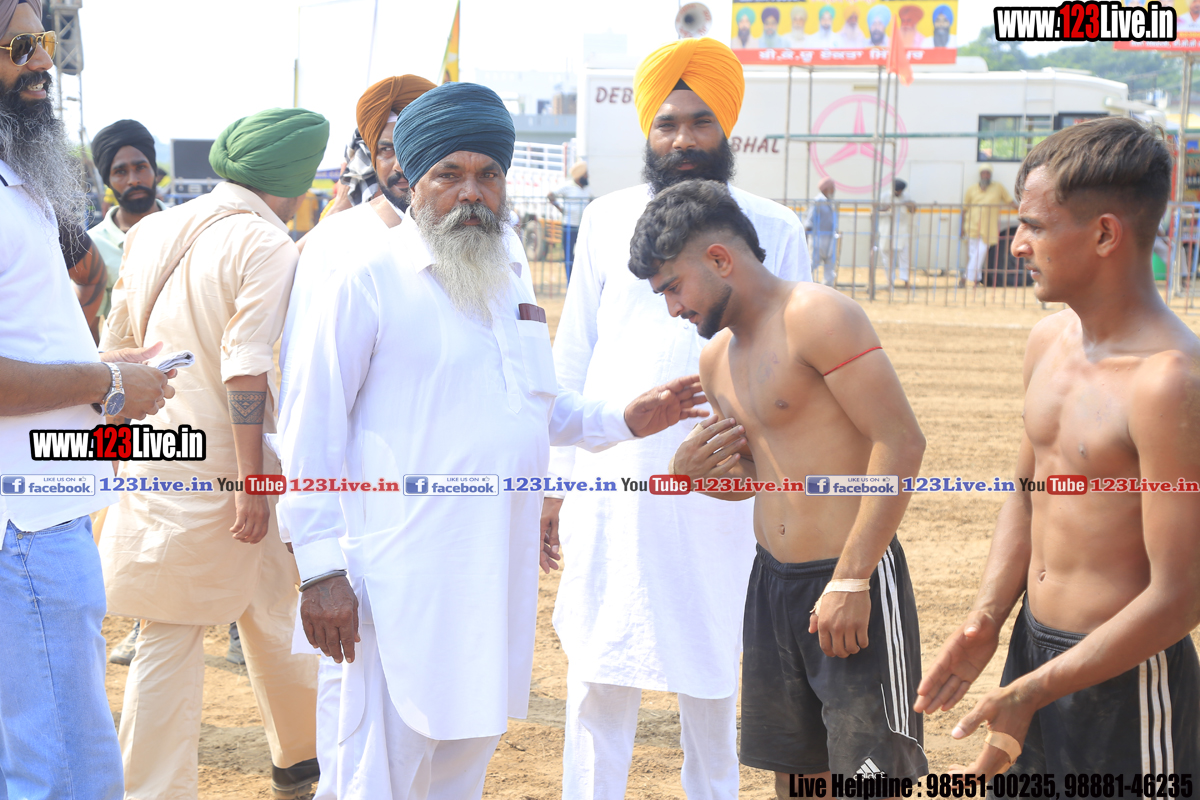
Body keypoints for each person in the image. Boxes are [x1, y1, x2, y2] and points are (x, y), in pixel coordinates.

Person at [278, 81, 707, 800]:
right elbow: (308, 430)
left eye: (489, 175)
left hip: (492, 575)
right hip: (395, 581)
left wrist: (625, 419)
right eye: (449, 174)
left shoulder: (506, 272)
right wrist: (320, 571)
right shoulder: (365, 280)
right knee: (372, 776)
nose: (471, 193)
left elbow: (533, 408)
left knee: (461, 764)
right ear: (413, 180)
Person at [545, 38, 810, 800]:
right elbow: (573, 356)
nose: (683, 139)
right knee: (598, 672)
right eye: (667, 124)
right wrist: (555, 485)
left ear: (726, 130)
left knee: (716, 674)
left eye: (700, 123)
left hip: (726, 485)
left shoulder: (775, 228)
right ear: (646, 132)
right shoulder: (605, 220)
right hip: (614, 477)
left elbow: (798, 361)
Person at [914, 117, 1200, 773]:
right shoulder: (1048, 341)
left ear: (1104, 234)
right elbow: (1026, 494)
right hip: (1031, 654)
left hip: (1128, 682)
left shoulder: (1168, 384)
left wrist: (1037, 689)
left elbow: (1181, 595)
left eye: (1035, 227)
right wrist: (987, 619)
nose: (1016, 245)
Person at [631, 179, 927, 793]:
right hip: (771, 586)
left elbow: (900, 441)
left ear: (719, 259)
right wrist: (695, 480)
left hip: (848, 578)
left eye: (673, 287)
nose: (673, 308)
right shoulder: (717, 360)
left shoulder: (817, 316)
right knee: (796, 780)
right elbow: (759, 480)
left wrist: (852, 579)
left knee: (872, 777)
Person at [99, 106, 329, 800]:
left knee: (274, 607)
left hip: (152, 452)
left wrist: (117, 454)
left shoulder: (153, 229)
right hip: (231, 468)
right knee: (174, 634)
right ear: (296, 179)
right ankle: (152, 791)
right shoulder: (268, 243)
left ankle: (301, 758)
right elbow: (246, 366)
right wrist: (253, 482)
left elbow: (114, 348)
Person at [0, 1, 174, 796]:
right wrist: (104, 384)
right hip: (24, 530)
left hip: (43, 515)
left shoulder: (20, 183)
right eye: (20, 44)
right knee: (67, 770)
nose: (43, 60)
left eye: (44, 40)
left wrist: (102, 365)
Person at [275, 72, 434, 800]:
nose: (400, 162)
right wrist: (316, 553)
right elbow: (307, 403)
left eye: (414, 143)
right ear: (370, 155)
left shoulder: (475, 238)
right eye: (386, 148)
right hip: (355, 531)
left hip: (437, 535)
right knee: (356, 727)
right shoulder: (336, 243)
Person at [88, 119, 166, 322]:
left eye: (141, 167)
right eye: (120, 172)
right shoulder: (93, 245)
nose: (133, 180)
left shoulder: (189, 229)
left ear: (154, 171)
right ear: (108, 181)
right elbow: (90, 325)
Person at [962, 165, 1014, 287]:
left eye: (988, 173)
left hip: (988, 228)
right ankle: (976, 280)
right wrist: (961, 228)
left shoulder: (998, 187)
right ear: (980, 175)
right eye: (983, 173)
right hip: (971, 227)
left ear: (990, 175)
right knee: (974, 254)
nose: (985, 176)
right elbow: (965, 209)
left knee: (979, 253)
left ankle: (965, 278)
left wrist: (1023, 209)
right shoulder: (972, 189)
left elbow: (1009, 201)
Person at [547, 160, 591, 282]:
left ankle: (580, 280)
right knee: (568, 255)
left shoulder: (587, 189)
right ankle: (569, 281)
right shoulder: (568, 186)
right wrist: (561, 209)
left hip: (582, 226)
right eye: (586, 174)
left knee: (582, 255)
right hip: (569, 225)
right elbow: (550, 195)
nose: (588, 176)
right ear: (580, 176)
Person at [879, 178, 916, 288]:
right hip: (886, 231)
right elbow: (876, 211)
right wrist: (885, 209)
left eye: (900, 191)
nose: (899, 193)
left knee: (904, 257)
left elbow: (913, 211)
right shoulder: (884, 196)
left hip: (902, 231)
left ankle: (905, 280)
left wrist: (910, 205)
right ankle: (890, 282)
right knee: (887, 257)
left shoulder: (906, 197)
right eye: (897, 191)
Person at [804, 176, 839, 287]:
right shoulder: (817, 201)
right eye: (832, 187)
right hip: (818, 239)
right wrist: (805, 239)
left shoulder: (829, 202)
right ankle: (802, 285)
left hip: (830, 239)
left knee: (830, 266)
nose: (834, 190)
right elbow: (809, 222)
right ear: (826, 189)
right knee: (811, 265)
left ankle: (828, 289)